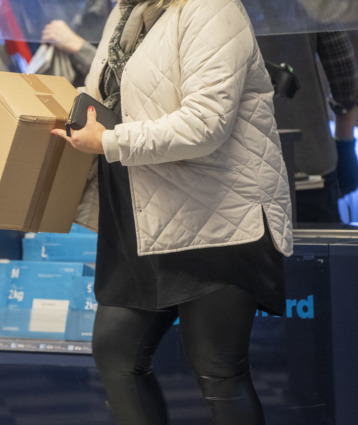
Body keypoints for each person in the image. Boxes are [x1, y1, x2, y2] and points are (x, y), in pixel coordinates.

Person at [51, 0, 293, 424]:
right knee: (115, 353)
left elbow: (205, 123)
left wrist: (109, 142)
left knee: (219, 372)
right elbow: (101, 98)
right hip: (144, 220)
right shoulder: (125, 11)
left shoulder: (213, 9)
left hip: (219, 220)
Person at [257, 32, 358, 223]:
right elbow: (344, 78)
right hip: (309, 160)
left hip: (240, 172)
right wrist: (345, 146)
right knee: (318, 249)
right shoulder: (311, 2)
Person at [40, 0, 113, 87]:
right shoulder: (73, 7)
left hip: (94, 92)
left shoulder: (118, 8)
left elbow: (115, 76)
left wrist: (78, 46)